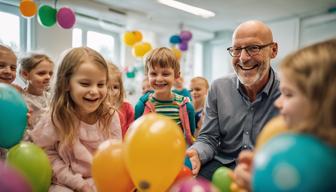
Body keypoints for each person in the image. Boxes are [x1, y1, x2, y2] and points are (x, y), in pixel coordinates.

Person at [232, 38, 336, 191]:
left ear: (325, 102)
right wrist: (265, 170)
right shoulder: (303, 146)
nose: (278, 103)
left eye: (288, 94)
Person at [187, 20, 280, 180]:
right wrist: (196, 153)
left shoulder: (289, 93)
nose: (243, 58)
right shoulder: (218, 88)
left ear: (273, 50)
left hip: (267, 171)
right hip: (222, 165)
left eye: (253, 48)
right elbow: (208, 137)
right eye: (236, 50)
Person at [30, 47, 122, 192]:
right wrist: (79, 184)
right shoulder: (57, 117)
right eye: (85, 84)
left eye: (101, 84)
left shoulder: (109, 115)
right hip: (66, 182)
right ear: (66, 83)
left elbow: (116, 154)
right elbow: (48, 156)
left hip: (103, 181)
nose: (94, 91)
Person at [134, 47, 196, 145]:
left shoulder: (185, 106)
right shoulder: (142, 106)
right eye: (153, 74)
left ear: (176, 76)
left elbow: (190, 135)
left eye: (165, 74)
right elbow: (136, 136)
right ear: (147, 75)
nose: (159, 79)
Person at [19, 53, 54, 140]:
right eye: (41, 73)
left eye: (50, 73)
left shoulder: (52, 98)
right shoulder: (20, 99)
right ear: (25, 74)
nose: (48, 77)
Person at [107, 63, 134, 138]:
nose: (112, 92)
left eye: (115, 87)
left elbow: (131, 129)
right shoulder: (97, 108)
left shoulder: (127, 107)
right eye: (107, 87)